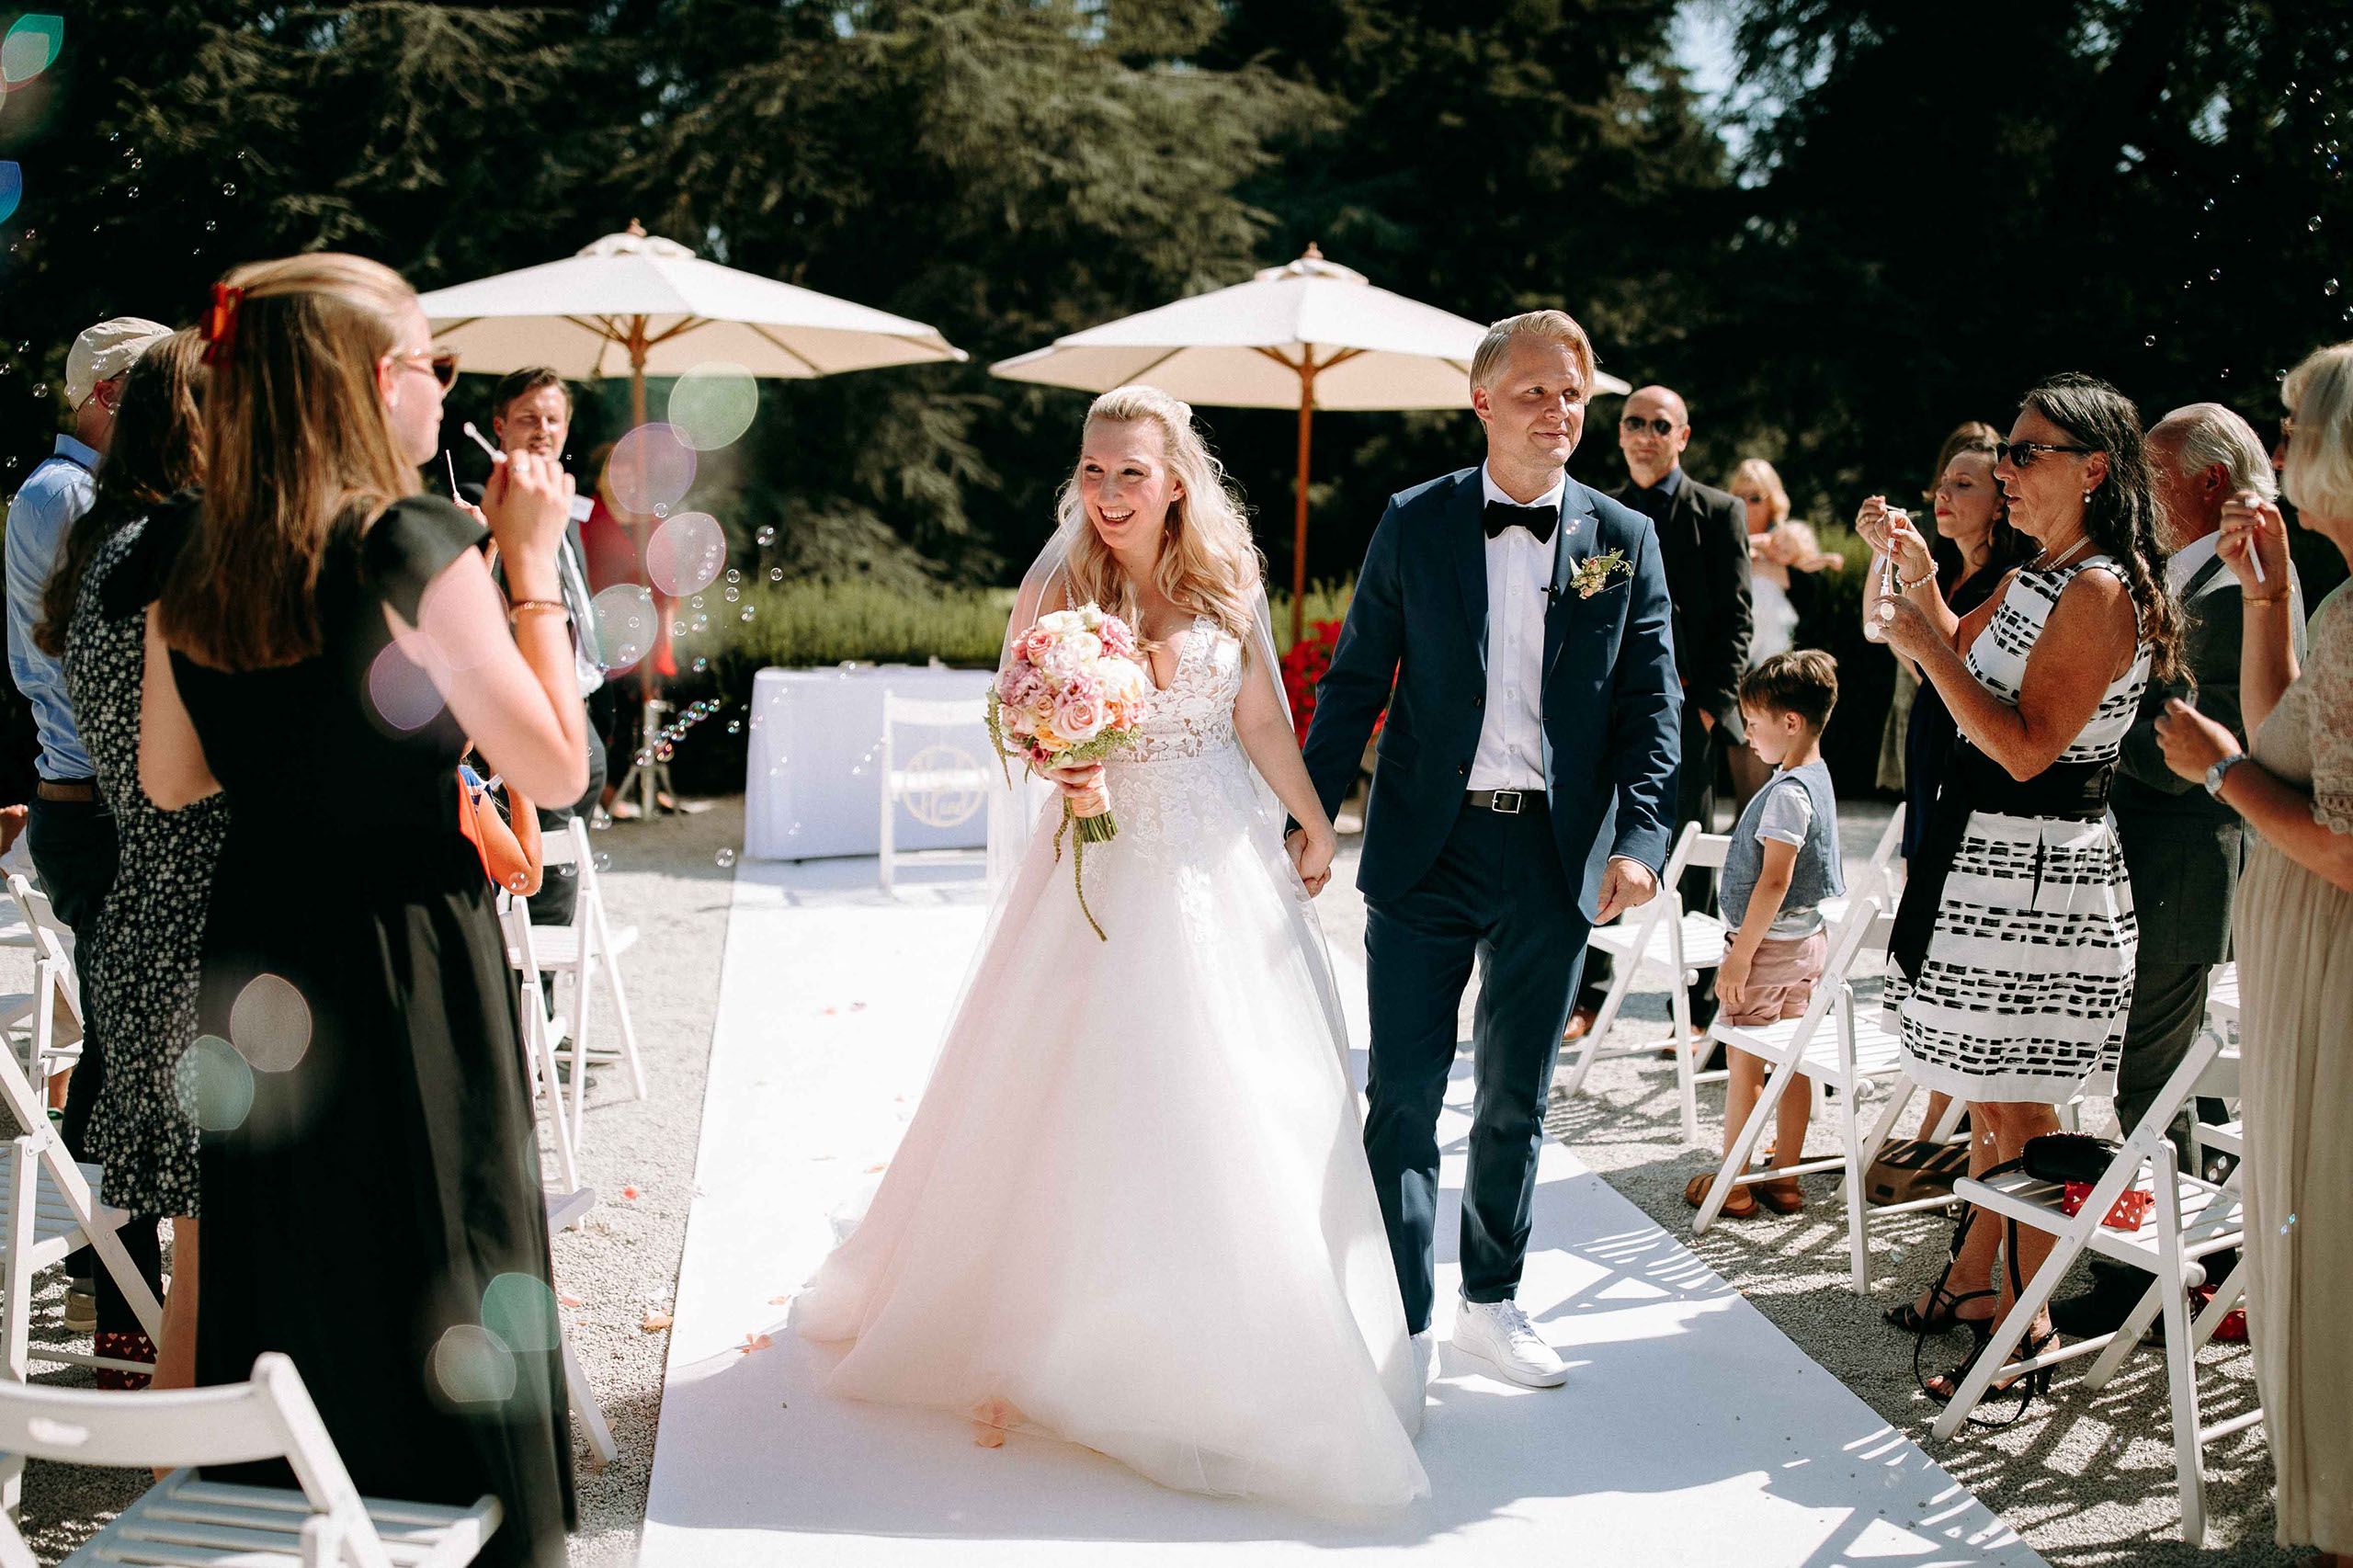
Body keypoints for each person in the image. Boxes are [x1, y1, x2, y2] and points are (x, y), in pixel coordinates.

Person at [791, 383, 1429, 1516]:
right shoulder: (1059, 581)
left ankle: (1247, 1342)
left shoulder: (1226, 582)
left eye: (1130, 471)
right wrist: (1059, 759)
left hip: (1219, 857)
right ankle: (1073, 1334)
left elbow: (1263, 717)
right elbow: (1013, 707)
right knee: (1091, 1093)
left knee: (1241, 1095)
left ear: (1175, 477)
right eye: (1092, 470)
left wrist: (1314, 816)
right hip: (1101, 857)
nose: (1107, 493)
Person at [139, 255, 583, 1567]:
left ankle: (292, 1532)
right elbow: (554, 769)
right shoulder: (412, 543)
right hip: (403, 946)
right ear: (369, 379)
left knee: (295, 1260)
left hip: (263, 932)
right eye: (431, 361)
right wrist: (533, 565)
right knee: (442, 1238)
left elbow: (171, 778)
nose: (444, 388)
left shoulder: (196, 550)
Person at [1299, 310, 1679, 1387]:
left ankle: (1493, 1302)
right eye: (1534, 392)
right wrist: (1311, 813)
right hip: (1427, 847)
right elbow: (1356, 682)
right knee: (1406, 1095)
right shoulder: (1413, 521)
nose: (1558, 412)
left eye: (1573, 394)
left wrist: (1640, 838)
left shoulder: (1622, 537)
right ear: (1481, 401)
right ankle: (1399, 1318)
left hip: (1555, 859)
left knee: (1518, 1094)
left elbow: (1652, 705)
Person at [1872, 373, 2177, 1398]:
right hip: (1988, 869)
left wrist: (1922, 642)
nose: (2003, 469)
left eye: (2023, 453)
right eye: (2002, 452)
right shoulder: (2036, 570)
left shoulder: (2096, 588)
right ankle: (1985, 1295)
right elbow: (1960, 663)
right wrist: (1919, 585)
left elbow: (2024, 747)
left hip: (2043, 878)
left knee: (2025, 1113)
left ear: (2093, 468)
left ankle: (2029, 1321)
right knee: (1993, 1104)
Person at [2155, 340, 2353, 1568]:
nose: (2275, 453)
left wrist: (2212, 770)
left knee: (2332, 1233)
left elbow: (2339, 842)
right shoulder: (2332, 603)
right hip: (2305, 968)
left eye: (2290, 426)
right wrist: (2269, 595)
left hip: (2337, 977)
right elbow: (2292, 739)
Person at [2054, 403, 2304, 1339]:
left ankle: (2146, 1282)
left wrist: (2085, 727)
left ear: (2207, 481)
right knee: (2155, 1074)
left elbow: (2207, 744)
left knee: (2151, 1081)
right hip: (2145, 858)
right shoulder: (2179, 578)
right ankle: (2198, 1267)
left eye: (2149, 473)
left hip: (2182, 863)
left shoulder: (2245, 592)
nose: (2134, 493)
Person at [31, 329, 219, 1391]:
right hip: (200, 915)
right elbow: (198, 771)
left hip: (148, 900)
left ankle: (183, 1464)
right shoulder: (171, 560)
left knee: (196, 1250)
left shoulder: (107, 552)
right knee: (223, 1233)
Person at [4, 312, 172, 1335]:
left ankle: (100, 1268)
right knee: (132, 1049)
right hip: (98, 808)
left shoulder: (73, 492)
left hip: (102, 804)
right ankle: (121, 1294)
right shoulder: (66, 495)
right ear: (111, 396)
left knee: (120, 1046)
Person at [1566, 382, 1748, 1040]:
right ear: (1619, 434)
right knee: (1600, 846)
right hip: (1613, 717)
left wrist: (1701, 717)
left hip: (1689, 720)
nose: (1645, 434)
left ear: (1683, 436)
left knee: (1693, 863)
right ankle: (1587, 998)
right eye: (1634, 422)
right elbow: (1587, 612)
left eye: (1660, 424)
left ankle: (1696, 1006)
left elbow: (1735, 626)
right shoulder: (1599, 514)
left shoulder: (1720, 513)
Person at [1684, 650, 1844, 1219]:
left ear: (1791, 723)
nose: (1747, 736)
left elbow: (1773, 883)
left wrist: (1738, 958)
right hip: (1807, 948)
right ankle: (1785, 1180)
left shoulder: (1786, 793)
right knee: (1793, 1059)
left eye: (1753, 725)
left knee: (1745, 1062)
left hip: (1766, 951)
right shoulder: (1818, 780)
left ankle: (1735, 1183)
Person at [469, 368, 607, 926]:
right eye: (528, 417)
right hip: (523, 714)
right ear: (499, 427)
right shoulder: (480, 508)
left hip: (583, 706)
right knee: (538, 871)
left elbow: (578, 602)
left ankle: (546, 988)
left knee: (567, 864)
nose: (543, 430)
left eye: (554, 419)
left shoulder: (562, 505)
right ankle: (538, 993)